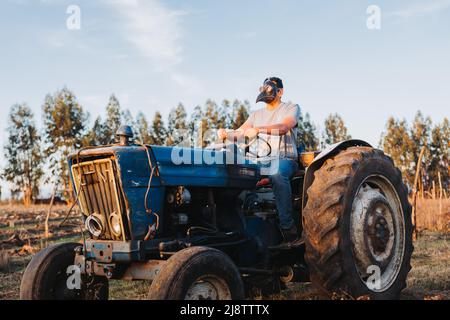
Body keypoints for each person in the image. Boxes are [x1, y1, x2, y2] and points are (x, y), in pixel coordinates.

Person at [218, 77, 300, 243]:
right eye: (264, 88)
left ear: (280, 91)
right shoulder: (256, 115)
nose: (266, 91)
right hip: (261, 161)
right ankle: (235, 227)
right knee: (239, 175)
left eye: (271, 88)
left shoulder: (290, 108)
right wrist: (226, 134)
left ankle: (287, 227)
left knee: (277, 173)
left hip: (285, 158)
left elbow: (284, 127)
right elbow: (239, 133)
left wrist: (258, 130)